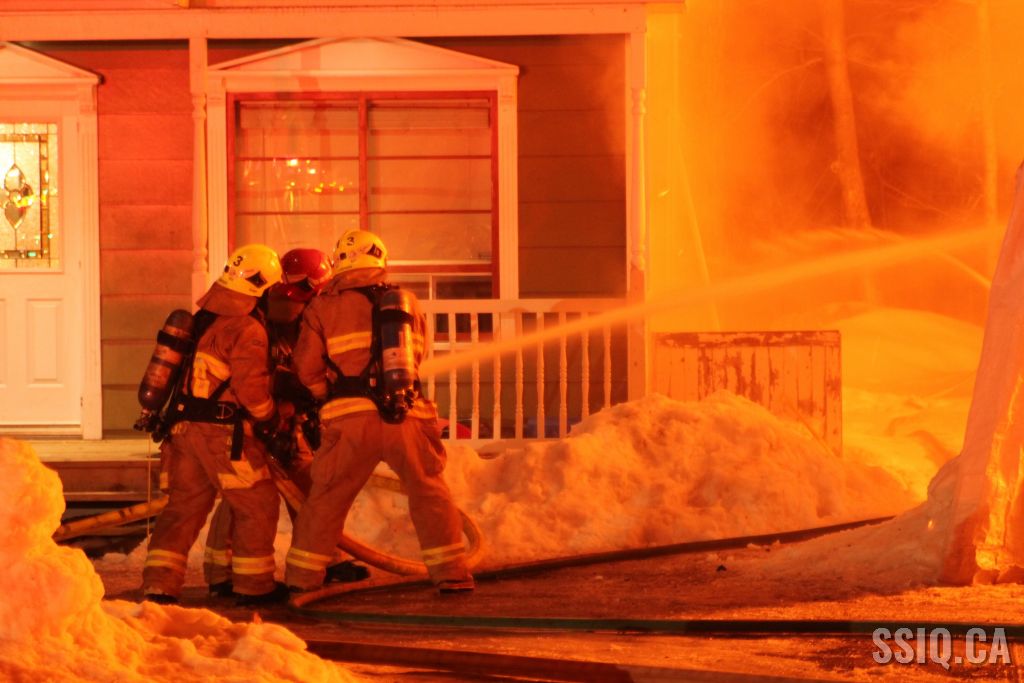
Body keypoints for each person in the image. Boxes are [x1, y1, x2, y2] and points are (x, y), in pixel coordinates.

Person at [285, 229, 475, 595]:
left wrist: (327, 396)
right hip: (407, 415)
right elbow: (418, 355)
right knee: (429, 492)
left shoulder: (323, 306)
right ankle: (452, 573)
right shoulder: (406, 303)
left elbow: (306, 369)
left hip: (350, 420)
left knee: (326, 498)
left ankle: (302, 579)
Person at [202, 248, 369, 597]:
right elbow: (266, 370)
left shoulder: (284, 310)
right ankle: (224, 572)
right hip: (256, 419)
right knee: (246, 497)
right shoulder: (278, 313)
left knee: (304, 488)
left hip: (280, 417)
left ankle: (322, 560)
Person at [142, 243, 288, 606]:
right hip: (221, 436)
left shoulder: (203, 320)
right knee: (257, 503)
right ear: (262, 287)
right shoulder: (247, 329)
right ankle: (254, 587)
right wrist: (269, 417)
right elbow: (251, 391)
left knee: (183, 509)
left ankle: (159, 586)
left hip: (182, 431)